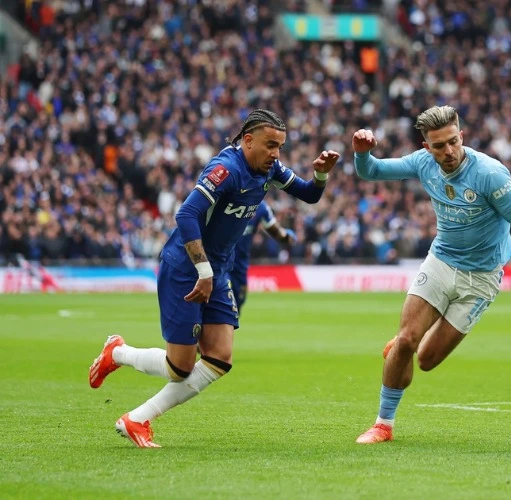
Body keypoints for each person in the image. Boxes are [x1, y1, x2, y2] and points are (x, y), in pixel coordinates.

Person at [88, 109, 339, 447]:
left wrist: (321, 176)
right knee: (180, 367)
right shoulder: (226, 170)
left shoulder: (270, 169)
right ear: (248, 141)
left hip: (217, 270)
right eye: (270, 145)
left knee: (219, 357)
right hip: (186, 269)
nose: (276, 154)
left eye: (280, 146)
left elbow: (309, 194)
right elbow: (186, 214)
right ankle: (117, 352)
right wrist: (203, 271)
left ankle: (137, 419)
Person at [351, 105, 511, 444]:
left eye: (453, 142)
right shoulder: (424, 164)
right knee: (409, 339)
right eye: (439, 146)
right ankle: (383, 425)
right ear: (427, 147)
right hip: (440, 262)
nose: (449, 151)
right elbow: (372, 172)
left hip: (481, 278)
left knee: (425, 360)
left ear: (461, 136)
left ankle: (401, 347)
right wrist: (362, 154)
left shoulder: (489, 173)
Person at [230, 200, 296, 311]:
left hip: (241, 264)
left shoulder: (261, 208)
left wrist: (288, 237)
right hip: (220, 261)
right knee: (220, 301)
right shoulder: (224, 199)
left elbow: (277, 232)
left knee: (238, 302)